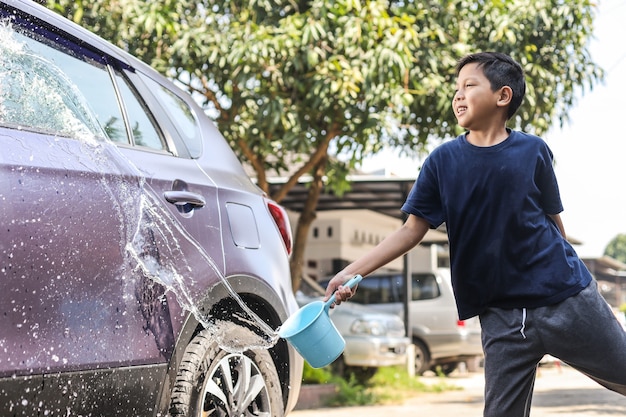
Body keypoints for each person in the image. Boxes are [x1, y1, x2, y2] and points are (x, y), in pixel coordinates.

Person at [324, 51, 626, 417]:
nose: (458, 95)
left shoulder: (533, 151)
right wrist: (350, 271)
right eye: (456, 89)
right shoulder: (442, 161)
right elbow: (410, 231)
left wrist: (574, 274)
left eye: (469, 85)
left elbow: (552, 221)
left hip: (565, 300)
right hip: (501, 318)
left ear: (503, 96)